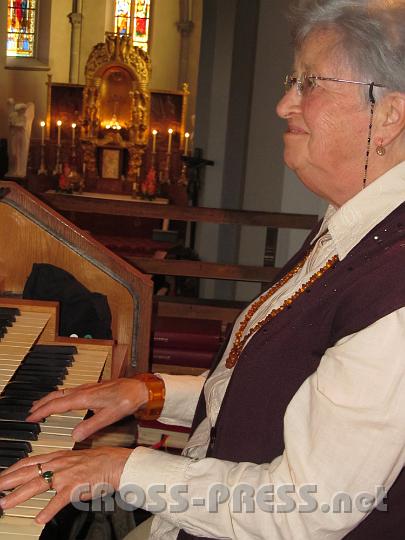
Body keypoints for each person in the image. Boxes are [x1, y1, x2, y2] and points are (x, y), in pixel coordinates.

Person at [1, 0, 405, 538]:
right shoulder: (350, 227)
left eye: (310, 82)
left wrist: (123, 467)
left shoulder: (393, 288)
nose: (285, 104)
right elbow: (280, 391)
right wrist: (151, 392)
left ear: (389, 115)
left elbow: (311, 509)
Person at [5, 98, 35, 178]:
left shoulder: (24, 117)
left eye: (22, 110)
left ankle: (19, 170)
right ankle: (13, 169)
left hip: (21, 137)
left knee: (20, 153)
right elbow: (11, 124)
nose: (21, 112)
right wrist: (14, 125)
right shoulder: (13, 116)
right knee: (13, 153)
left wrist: (15, 125)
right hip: (14, 137)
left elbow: (22, 126)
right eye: (19, 110)